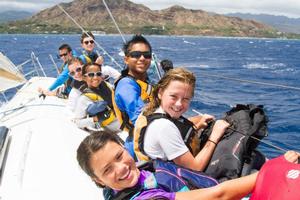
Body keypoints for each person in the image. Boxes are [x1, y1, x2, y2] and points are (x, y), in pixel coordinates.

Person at [76, 131, 300, 200]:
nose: (121, 168)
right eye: (107, 170)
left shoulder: (128, 185)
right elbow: (218, 195)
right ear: (97, 180)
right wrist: (274, 170)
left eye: (119, 156)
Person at [134, 67, 229, 172]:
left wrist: (197, 127)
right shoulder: (163, 127)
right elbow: (195, 168)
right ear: (160, 93)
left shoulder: (149, 111)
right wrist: (214, 136)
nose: (179, 104)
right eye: (173, 96)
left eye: (185, 99)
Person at [112, 34, 154, 158]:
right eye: (136, 55)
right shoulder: (126, 85)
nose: (142, 58)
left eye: (146, 55)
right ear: (126, 59)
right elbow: (140, 119)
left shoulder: (143, 82)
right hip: (141, 148)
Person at [73, 63, 120, 133]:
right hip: (112, 129)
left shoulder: (108, 86)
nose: (95, 77)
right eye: (91, 75)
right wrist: (96, 119)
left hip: (122, 120)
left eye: (98, 74)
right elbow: (78, 122)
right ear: (84, 77)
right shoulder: (84, 99)